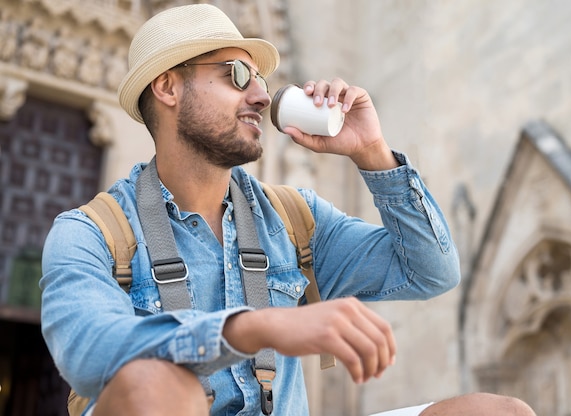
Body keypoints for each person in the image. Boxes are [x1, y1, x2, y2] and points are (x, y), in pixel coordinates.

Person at [40, 4, 536, 416]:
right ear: (168, 87)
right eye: (236, 75)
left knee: (501, 412)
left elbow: (433, 271)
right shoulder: (88, 233)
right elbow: (91, 353)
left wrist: (371, 152)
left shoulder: (295, 218)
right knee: (156, 388)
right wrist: (257, 326)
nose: (261, 95)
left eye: (259, 78)